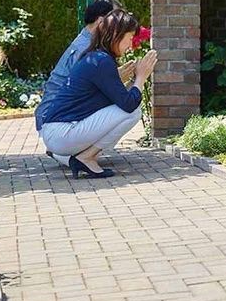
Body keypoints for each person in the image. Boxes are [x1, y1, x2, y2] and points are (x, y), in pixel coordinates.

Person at [38, 9, 157, 179]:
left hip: (57, 133)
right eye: (129, 38)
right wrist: (141, 77)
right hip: (61, 133)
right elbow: (129, 104)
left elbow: (119, 98)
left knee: (129, 107)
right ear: (116, 34)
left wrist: (132, 81)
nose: (130, 45)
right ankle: (86, 157)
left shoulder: (96, 57)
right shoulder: (101, 61)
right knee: (134, 111)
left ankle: (72, 156)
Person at [35, 0, 135, 166]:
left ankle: (68, 154)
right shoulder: (86, 49)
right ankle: (78, 154)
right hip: (58, 122)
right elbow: (87, 92)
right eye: (115, 18)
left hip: (54, 121)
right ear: (102, 21)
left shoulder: (87, 42)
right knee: (128, 110)